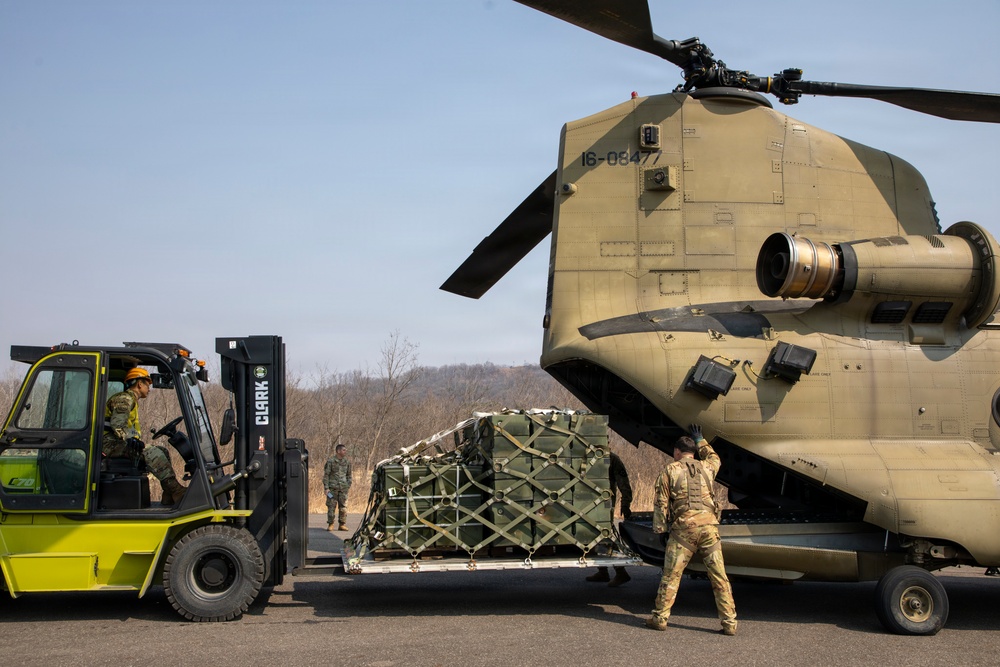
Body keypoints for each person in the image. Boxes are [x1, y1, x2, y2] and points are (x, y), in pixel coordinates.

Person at [646, 424, 737, 635]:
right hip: (709, 529)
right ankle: (730, 623)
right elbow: (716, 458)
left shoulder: (670, 470)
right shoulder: (707, 467)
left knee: (671, 576)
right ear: (693, 452)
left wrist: (660, 530)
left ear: (677, 452)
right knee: (719, 577)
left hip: (683, 531)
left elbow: (661, 503)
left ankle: (660, 618)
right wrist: (700, 440)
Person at [103, 367, 186, 506]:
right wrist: (128, 439)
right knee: (152, 452)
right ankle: (176, 490)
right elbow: (118, 425)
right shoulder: (124, 399)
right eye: (147, 384)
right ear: (139, 384)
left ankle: (169, 495)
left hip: (117, 443)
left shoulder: (131, 400)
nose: (149, 388)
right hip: (109, 444)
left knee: (162, 451)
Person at [586, 451, 633, 586]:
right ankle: (603, 570)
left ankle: (620, 571)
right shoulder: (586, 456)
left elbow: (624, 484)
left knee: (605, 537)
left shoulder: (612, 459)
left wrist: (625, 505)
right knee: (595, 537)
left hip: (604, 505)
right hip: (588, 505)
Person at [324, 443, 352, 531]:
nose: (345, 451)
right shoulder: (331, 461)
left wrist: (348, 485)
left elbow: (349, 475)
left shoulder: (347, 462)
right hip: (332, 489)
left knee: (343, 507)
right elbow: (326, 475)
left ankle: (342, 524)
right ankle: (331, 524)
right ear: (338, 451)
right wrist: (326, 488)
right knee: (331, 506)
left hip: (343, 489)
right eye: (343, 450)